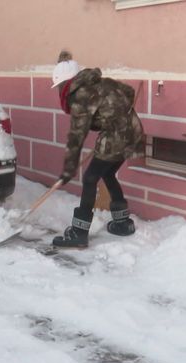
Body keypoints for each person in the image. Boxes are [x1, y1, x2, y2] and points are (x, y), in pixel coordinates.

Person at [51, 50, 145, 248]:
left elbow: (77, 136)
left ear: (65, 83)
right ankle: (122, 223)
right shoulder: (101, 82)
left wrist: (68, 170)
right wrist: (114, 116)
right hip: (133, 132)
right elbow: (128, 91)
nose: (59, 90)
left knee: (89, 178)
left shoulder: (80, 96)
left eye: (59, 86)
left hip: (115, 136)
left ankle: (79, 232)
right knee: (108, 173)